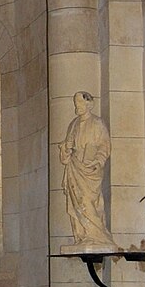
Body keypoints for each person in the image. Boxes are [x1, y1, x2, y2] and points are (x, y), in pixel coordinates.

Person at [58, 90, 115, 248]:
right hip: (75, 168)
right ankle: (82, 236)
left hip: (90, 169)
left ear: (89, 104)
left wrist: (99, 160)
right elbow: (67, 150)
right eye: (76, 103)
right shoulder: (73, 125)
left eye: (81, 103)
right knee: (76, 201)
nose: (78, 106)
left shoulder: (97, 123)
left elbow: (104, 145)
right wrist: (66, 149)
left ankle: (97, 236)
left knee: (89, 201)